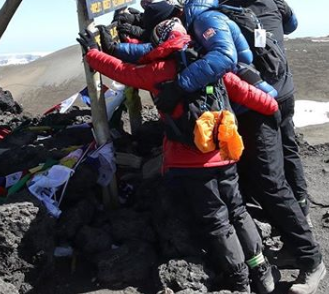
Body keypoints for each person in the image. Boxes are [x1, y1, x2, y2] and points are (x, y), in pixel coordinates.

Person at [77, 18, 279, 294]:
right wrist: (272, 106)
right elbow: (245, 92)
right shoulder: (210, 65)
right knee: (238, 210)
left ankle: (240, 281)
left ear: (162, 43)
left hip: (192, 163)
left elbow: (123, 72)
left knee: (217, 220)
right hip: (225, 153)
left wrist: (92, 53)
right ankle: (262, 271)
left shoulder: (160, 71)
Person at [220, 0, 326, 294]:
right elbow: (292, 24)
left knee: (269, 180)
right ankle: (299, 226)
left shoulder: (231, 13)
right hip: (286, 92)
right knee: (287, 156)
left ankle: (311, 260)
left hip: (262, 102)